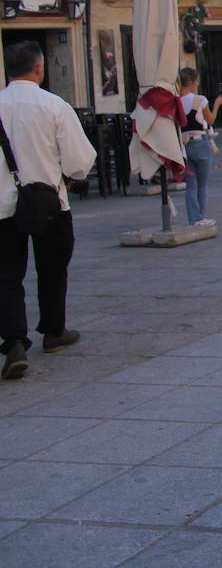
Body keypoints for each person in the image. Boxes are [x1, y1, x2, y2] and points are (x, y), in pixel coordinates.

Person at [0, 42, 96, 379]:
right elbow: (80, 160)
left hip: (1, 206)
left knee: (6, 275)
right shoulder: (54, 105)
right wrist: (66, 179)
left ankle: (14, 341)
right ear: (39, 69)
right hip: (50, 201)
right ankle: (54, 332)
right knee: (53, 268)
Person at [177, 67, 222, 227]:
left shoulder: (176, 102)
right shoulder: (200, 99)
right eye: (197, 81)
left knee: (191, 185)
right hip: (200, 143)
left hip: (185, 145)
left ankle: (193, 218)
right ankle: (201, 218)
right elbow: (210, 120)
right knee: (202, 184)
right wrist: (217, 104)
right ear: (192, 82)